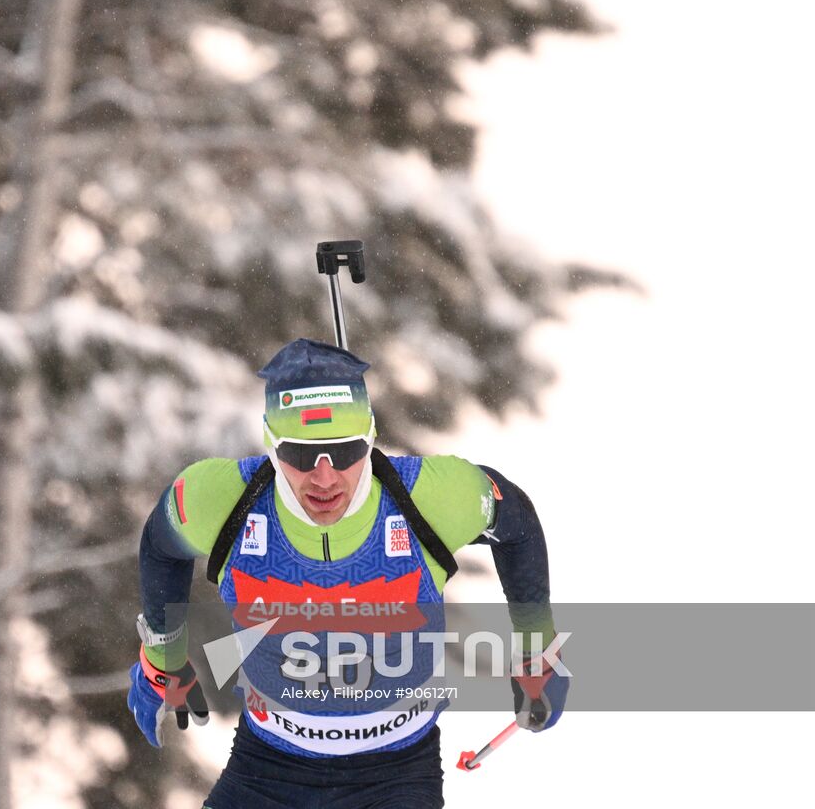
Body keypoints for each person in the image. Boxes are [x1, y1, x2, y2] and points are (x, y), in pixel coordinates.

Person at [127, 338, 567, 808]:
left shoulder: (430, 497)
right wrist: (162, 659)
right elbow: (161, 545)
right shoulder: (220, 500)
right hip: (267, 770)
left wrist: (537, 648)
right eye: (299, 455)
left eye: (344, 452)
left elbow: (514, 521)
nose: (324, 478)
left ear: (370, 438)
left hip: (395, 774)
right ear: (272, 446)